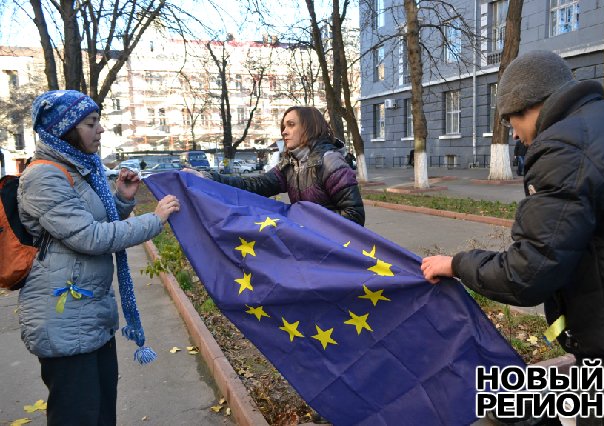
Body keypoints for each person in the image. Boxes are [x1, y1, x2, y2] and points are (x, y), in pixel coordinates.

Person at [421, 50, 604, 423]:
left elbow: (528, 273)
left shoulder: (565, 147)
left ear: (524, 105)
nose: (519, 139)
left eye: (511, 124)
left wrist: (456, 264)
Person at [17, 90, 180, 425]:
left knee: (102, 413)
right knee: (78, 416)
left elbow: (93, 223)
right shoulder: (43, 176)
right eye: (91, 123)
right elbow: (89, 237)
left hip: (89, 314)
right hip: (64, 318)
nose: (101, 129)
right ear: (66, 129)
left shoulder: (78, 169)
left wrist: (121, 198)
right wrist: (155, 219)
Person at [184, 106, 365, 225]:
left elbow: (355, 216)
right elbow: (255, 185)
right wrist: (208, 178)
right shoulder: (290, 165)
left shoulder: (330, 162)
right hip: (310, 244)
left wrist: (307, 223)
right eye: (283, 127)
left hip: (335, 251)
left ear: (310, 127)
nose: (284, 132)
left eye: (291, 125)